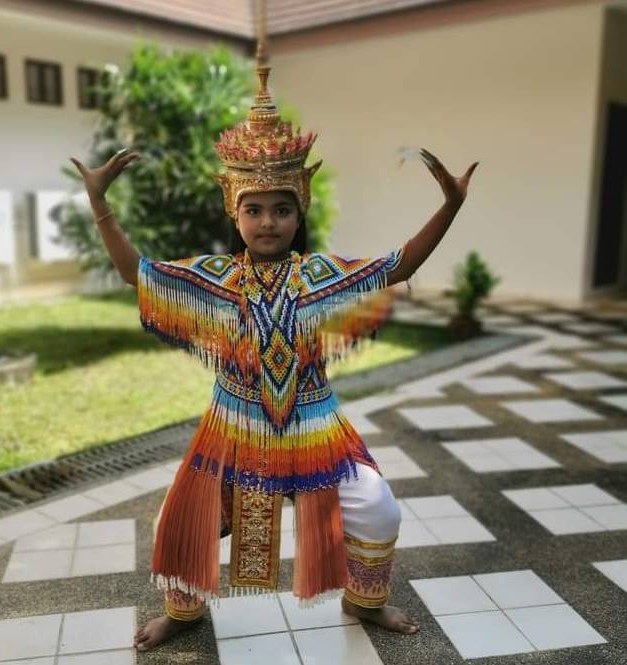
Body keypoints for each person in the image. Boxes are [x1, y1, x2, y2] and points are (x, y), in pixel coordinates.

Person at [71, 45, 477, 655]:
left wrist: (450, 207)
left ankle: (365, 601)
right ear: (234, 213)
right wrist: (100, 205)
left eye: (281, 209)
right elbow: (138, 274)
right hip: (234, 428)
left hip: (315, 426)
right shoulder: (214, 277)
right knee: (179, 521)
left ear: (299, 211)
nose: (268, 221)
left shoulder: (320, 274)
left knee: (378, 507)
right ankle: (183, 612)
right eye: (255, 210)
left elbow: (398, 265)